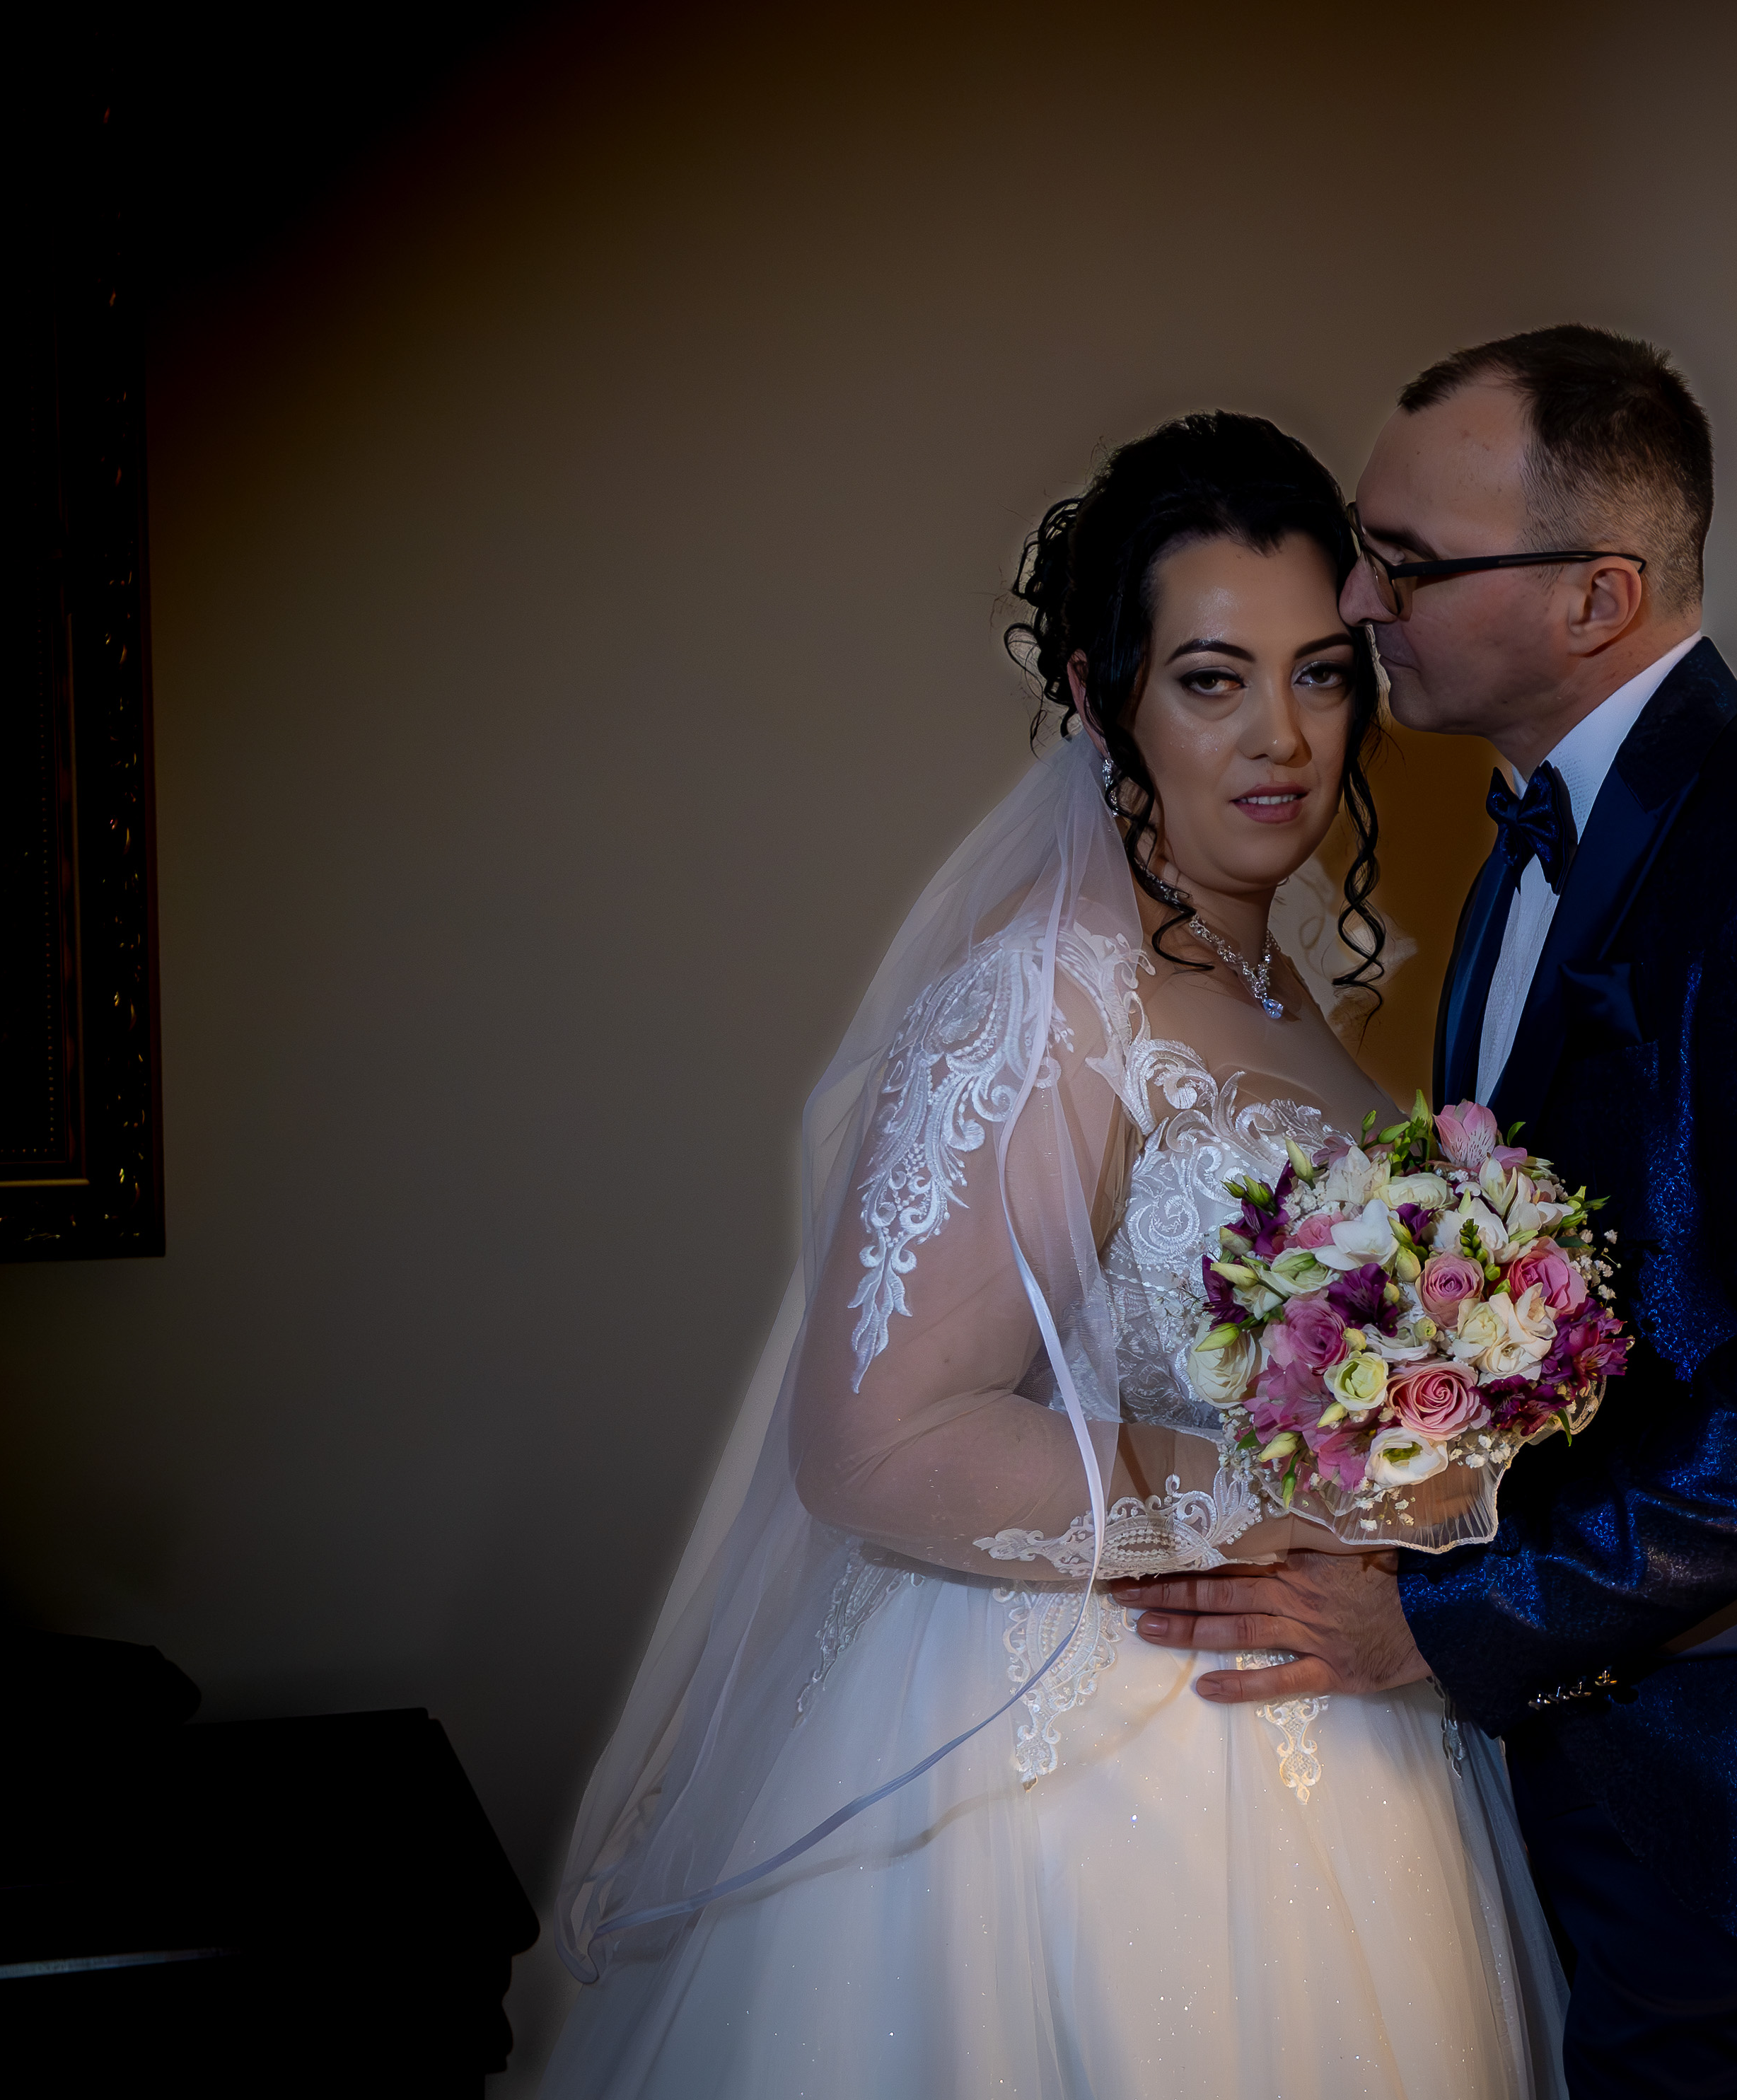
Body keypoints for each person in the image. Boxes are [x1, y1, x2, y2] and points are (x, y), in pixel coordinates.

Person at [1115, 327, 1737, 2099]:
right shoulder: (1531, 850)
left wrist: (1453, 1624)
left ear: (1598, 597)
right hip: (1609, 1736)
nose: (1357, 600)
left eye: (1407, 562)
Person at [541, 412, 1564, 2098]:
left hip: (1336, 1736)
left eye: (1321, 676)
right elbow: (876, 1446)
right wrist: (1294, 1501)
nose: (1283, 739)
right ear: (1103, 699)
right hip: (1086, 1767)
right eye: (1213, 680)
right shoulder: (1043, 1000)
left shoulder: (1287, 992)